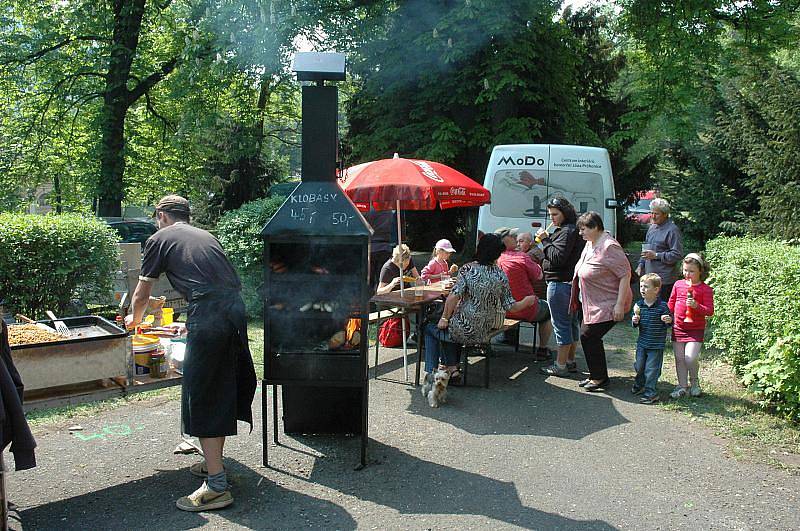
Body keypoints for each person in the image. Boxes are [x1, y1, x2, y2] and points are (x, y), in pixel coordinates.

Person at [125, 195, 256, 512]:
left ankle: (216, 487)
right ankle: (215, 467)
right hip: (231, 313)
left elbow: (143, 292)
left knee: (203, 395)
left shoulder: (159, 238)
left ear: (161, 216)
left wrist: (134, 320)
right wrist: (194, 325)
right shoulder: (205, 235)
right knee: (218, 389)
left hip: (211, 314)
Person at [424, 234, 537, 379]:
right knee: (449, 329)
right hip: (484, 329)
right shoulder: (500, 274)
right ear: (497, 253)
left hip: (463, 329)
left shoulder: (468, 269)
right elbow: (512, 307)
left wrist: (445, 318)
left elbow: (453, 296)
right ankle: (452, 368)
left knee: (430, 327)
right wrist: (527, 301)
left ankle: (432, 372)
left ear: (479, 249)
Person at [573, 212, 632, 392]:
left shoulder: (609, 247)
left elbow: (625, 274)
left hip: (609, 302)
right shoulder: (590, 243)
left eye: (583, 229)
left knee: (588, 335)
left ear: (595, 227)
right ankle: (596, 375)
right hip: (592, 302)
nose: (580, 233)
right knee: (588, 336)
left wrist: (619, 304)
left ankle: (600, 378)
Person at [535, 197, 584, 377]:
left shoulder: (567, 231)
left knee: (561, 325)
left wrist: (545, 241)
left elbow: (557, 258)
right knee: (571, 324)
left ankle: (560, 365)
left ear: (565, 213)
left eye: (555, 214)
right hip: (569, 284)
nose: (552, 218)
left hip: (560, 284)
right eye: (550, 215)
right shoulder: (570, 230)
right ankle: (570, 361)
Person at [495, 227, 552, 361]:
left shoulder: (493, 258)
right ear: (504, 240)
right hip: (524, 308)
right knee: (549, 311)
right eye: (513, 236)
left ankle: (509, 338)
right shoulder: (521, 257)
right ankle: (543, 349)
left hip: (498, 311)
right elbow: (539, 276)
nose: (515, 238)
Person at [667, 253, 714, 399]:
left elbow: (709, 311)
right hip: (678, 327)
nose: (687, 274)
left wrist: (696, 305)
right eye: (685, 270)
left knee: (690, 357)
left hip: (695, 329)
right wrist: (667, 315)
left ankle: (694, 382)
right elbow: (671, 303)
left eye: (692, 271)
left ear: (701, 271)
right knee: (679, 358)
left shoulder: (705, 289)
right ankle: (682, 386)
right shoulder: (678, 284)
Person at [631, 273, 672, 404]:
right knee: (639, 366)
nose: (642, 289)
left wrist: (668, 319)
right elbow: (635, 324)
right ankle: (639, 384)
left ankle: (651, 393)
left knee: (651, 370)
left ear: (656, 289)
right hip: (642, 343)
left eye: (646, 286)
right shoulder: (639, 305)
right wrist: (635, 320)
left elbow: (669, 322)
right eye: (641, 286)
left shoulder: (662, 306)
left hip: (656, 345)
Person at [636, 198, 683, 301]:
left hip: (664, 280)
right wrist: (640, 264)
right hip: (649, 278)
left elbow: (677, 254)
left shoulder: (672, 230)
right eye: (651, 213)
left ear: (665, 214)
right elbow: (646, 250)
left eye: (656, 214)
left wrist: (657, 255)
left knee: (662, 312)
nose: (653, 216)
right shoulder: (652, 228)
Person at [364, 209, 397, 291]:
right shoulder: (390, 212)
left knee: (369, 280)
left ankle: (369, 301)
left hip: (371, 248)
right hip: (386, 247)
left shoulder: (369, 211)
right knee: (383, 280)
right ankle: (380, 301)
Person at [515, 232, 547, 300]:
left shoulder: (529, 256)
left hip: (536, 295)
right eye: (517, 242)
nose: (518, 244)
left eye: (521, 241)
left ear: (530, 242)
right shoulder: (536, 251)